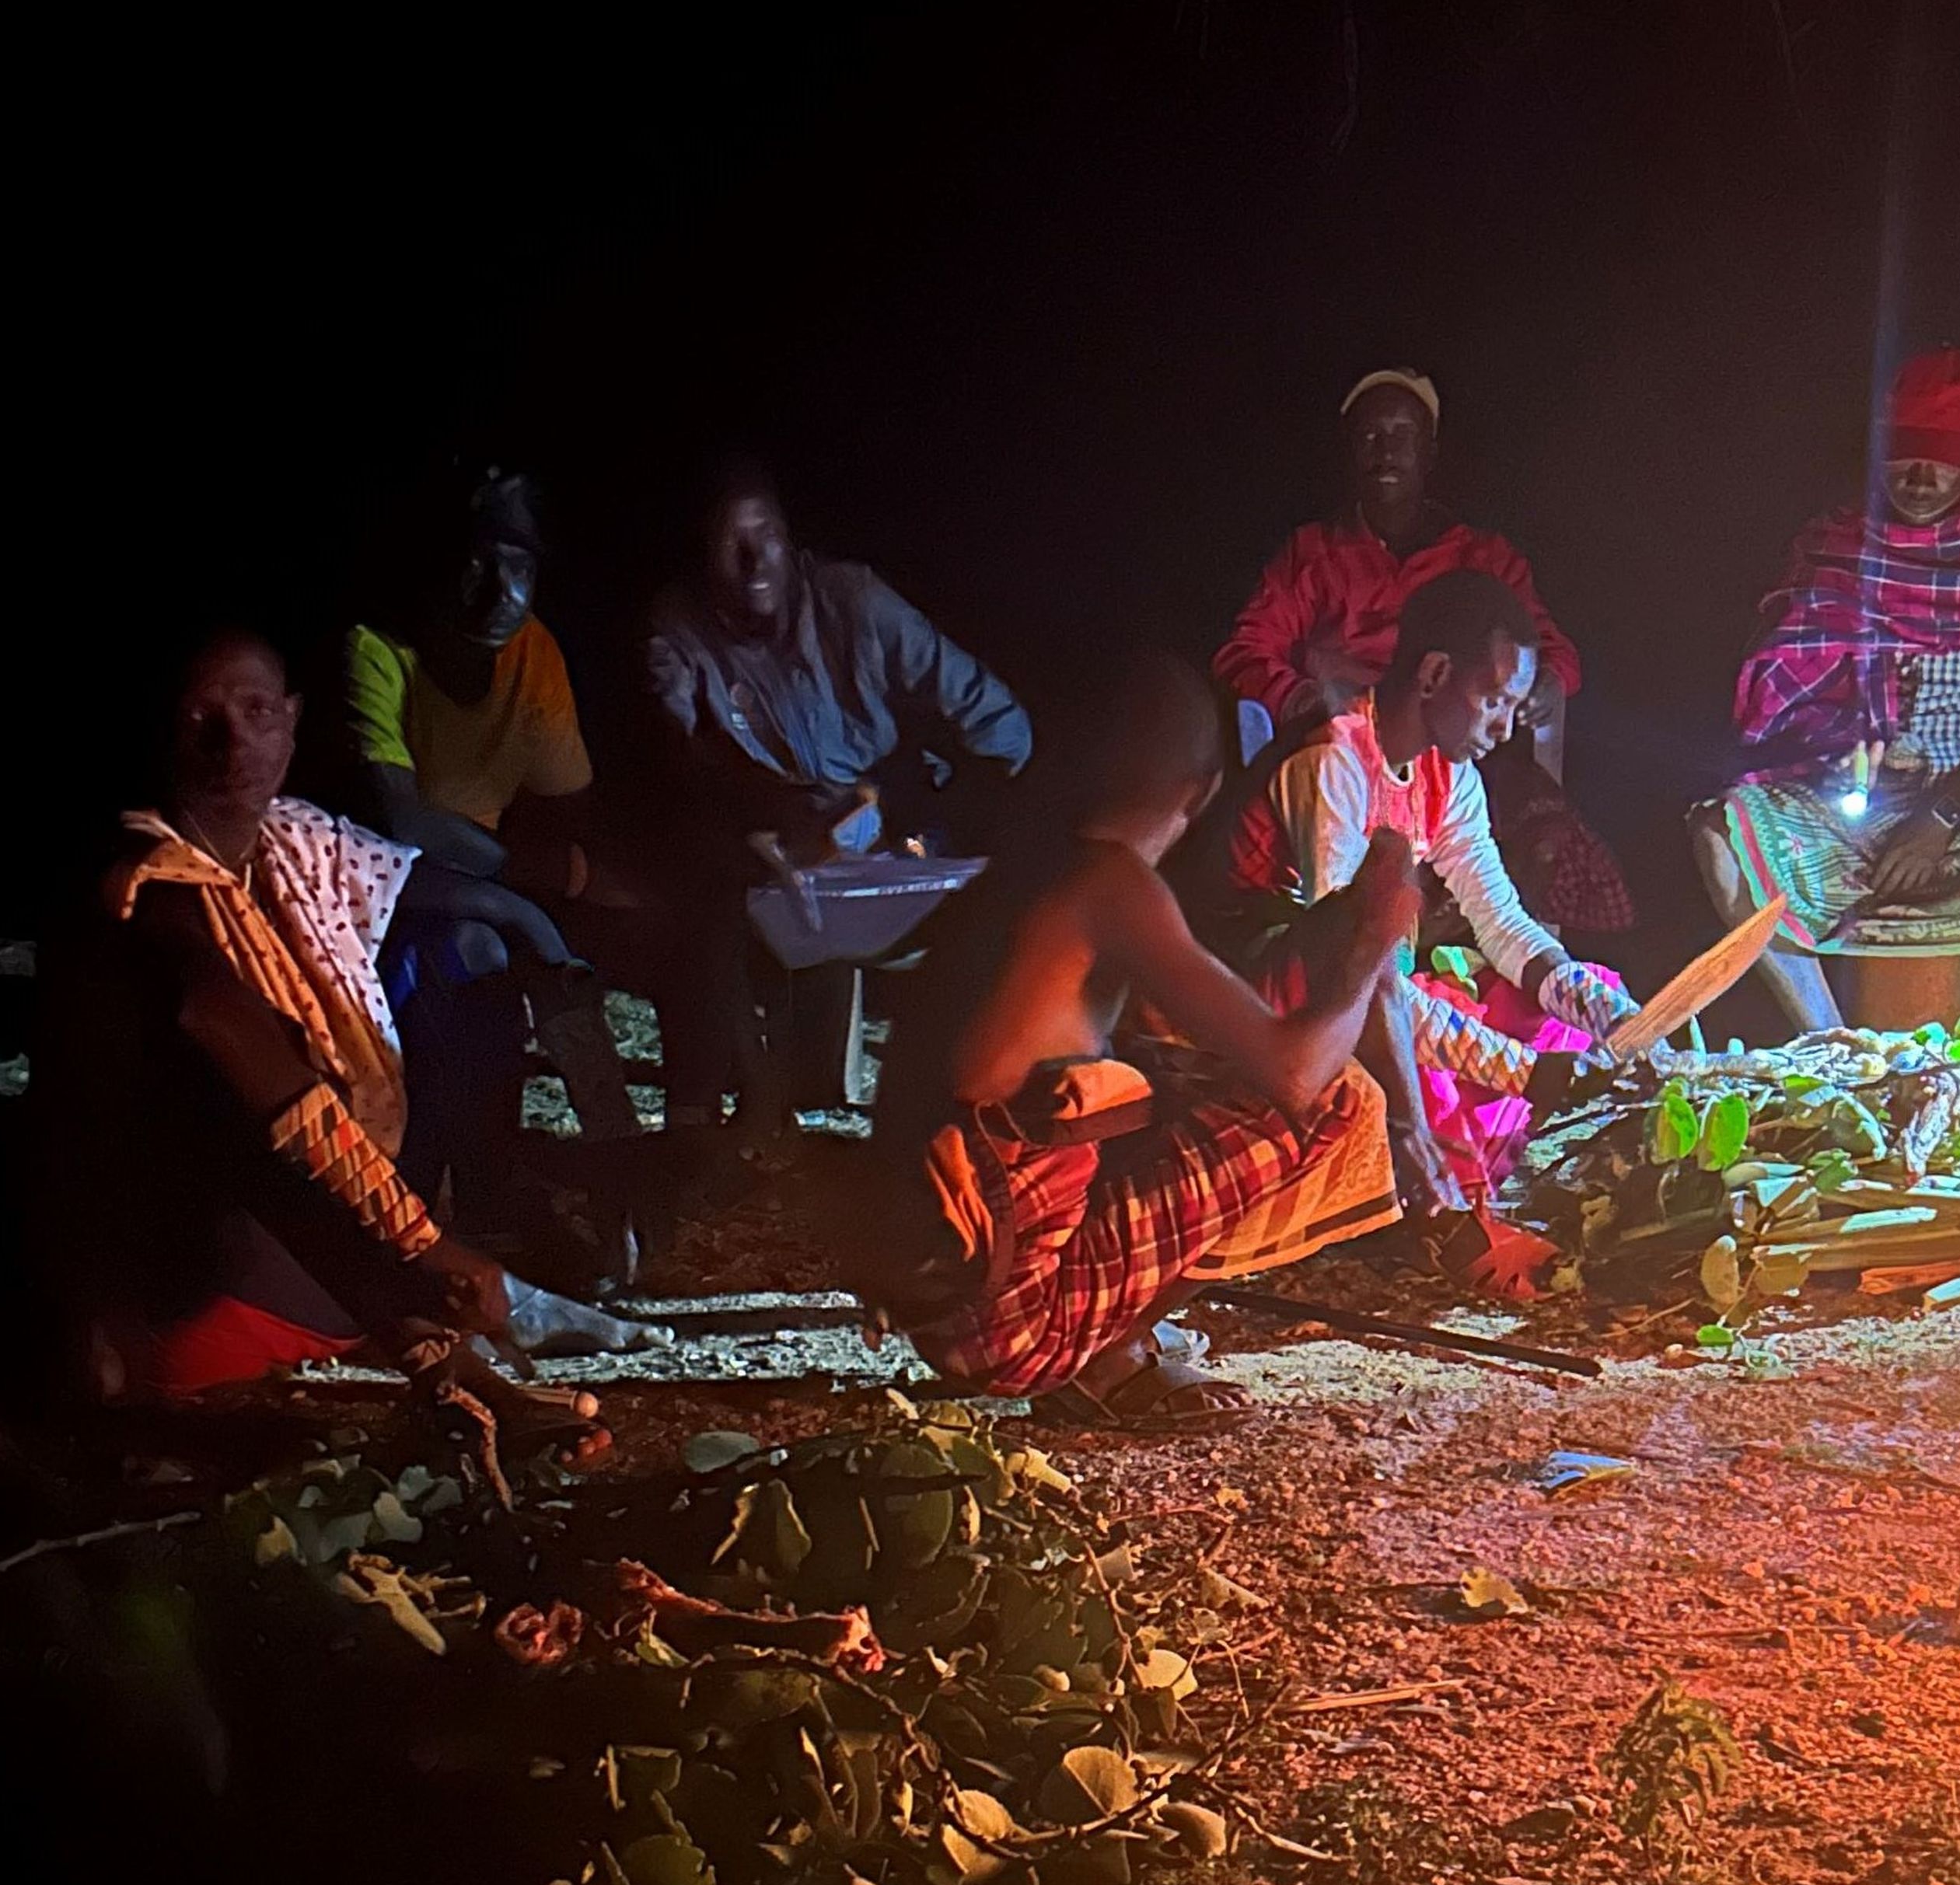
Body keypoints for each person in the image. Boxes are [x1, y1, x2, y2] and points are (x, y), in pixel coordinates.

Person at [28, 630, 608, 1463]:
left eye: (257, 711)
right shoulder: (144, 879)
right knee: (244, 1111)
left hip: (321, 1253)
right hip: (193, 1276)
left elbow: (428, 887)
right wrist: (430, 1245)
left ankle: (448, 1346)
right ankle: (443, 1353)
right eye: (203, 717)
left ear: (293, 722)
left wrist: (542, 925)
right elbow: (220, 1028)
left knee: (454, 962)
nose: (234, 744)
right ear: (161, 730)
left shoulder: (292, 843)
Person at [820, 655, 1413, 1426]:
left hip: (940, 1306)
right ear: (1197, 794)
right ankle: (1109, 1361)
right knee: (1336, 1102)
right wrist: (1376, 936)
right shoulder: (1109, 885)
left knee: (1165, 1074)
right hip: (1013, 1333)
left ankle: (1101, 1345)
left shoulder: (1018, 871)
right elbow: (1296, 1073)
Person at [1696, 347, 1960, 1035]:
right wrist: (1836, 750)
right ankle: (1833, 1048)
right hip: (1877, 807)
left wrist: (1939, 817)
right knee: (1724, 831)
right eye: (1904, 453)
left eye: (1942, 454)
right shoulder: (1843, 544)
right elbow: (1792, 696)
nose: (1920, 476)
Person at [1222, 571, 1637, 1210]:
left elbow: (1497, 915)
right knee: (1432, 1084)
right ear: (1435, 675)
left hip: (1374, 990)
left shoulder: (1451, 774)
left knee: (1583, 1004)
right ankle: (1438, 1199)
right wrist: (1522, 1073)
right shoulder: (1335, 761)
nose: (1504, 729)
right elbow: (1351, 973)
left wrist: (1578, 993)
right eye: (1494, 700)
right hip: (1281, 996)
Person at [644, 462, 1033, 1127]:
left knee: (994, 899)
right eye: (727, 542)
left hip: (902, 831)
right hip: (783, 845)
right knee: (703, 897)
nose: (751, 558)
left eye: (764, 534)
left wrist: (936, 818)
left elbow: (999, 724)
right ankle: (723, 1116)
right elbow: (673, 755)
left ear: (790, 543)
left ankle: (950, 1111)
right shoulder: (679, 630)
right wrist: (759, 812)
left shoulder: (855, 603)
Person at [1217, 368, 1633, 936]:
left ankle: (1473, 969)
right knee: (1360, 924)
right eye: (1370, 435)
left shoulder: (1480, 556)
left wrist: (1517, 691)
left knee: (1538, 847)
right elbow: (1245, 649)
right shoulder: (1314, 553)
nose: (1386, 450)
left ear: (1430, 452)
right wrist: (1305, 700)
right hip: (1351, 743)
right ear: (1350, 451)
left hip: (1461, 751)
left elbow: (1553, 655)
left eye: (1403, 434)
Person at [344, 470, 645, 1227]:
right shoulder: (377, 650)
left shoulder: (529, 652)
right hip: (360, 898)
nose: (498, 590)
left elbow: (572, 805)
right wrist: (523, 898)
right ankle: (449, 1187)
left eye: (519, 565)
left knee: (537, 951)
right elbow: (393, 835)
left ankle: (617, 1183)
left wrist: (558, 893)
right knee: (479, 947)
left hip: (463, 887)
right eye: (475, 562)